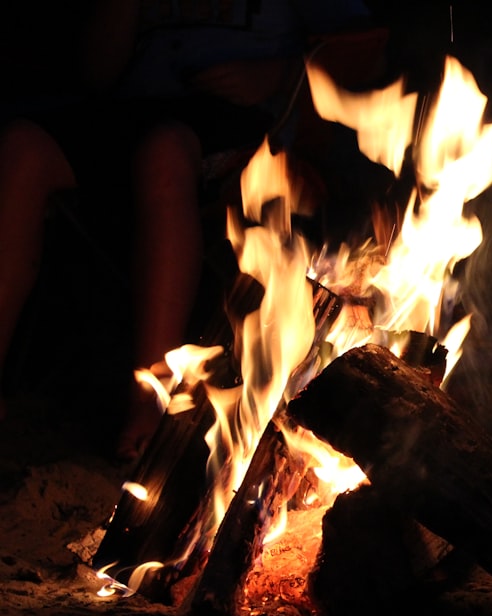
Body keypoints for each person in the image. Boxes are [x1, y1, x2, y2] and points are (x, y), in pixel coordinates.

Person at [0, 0, 373, 464]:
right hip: (131, 109)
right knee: (20, 147)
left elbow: (367, 46)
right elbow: (95, 74)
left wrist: (280, 73)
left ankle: (150, 398)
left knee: (162, 153)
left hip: (241, 118)